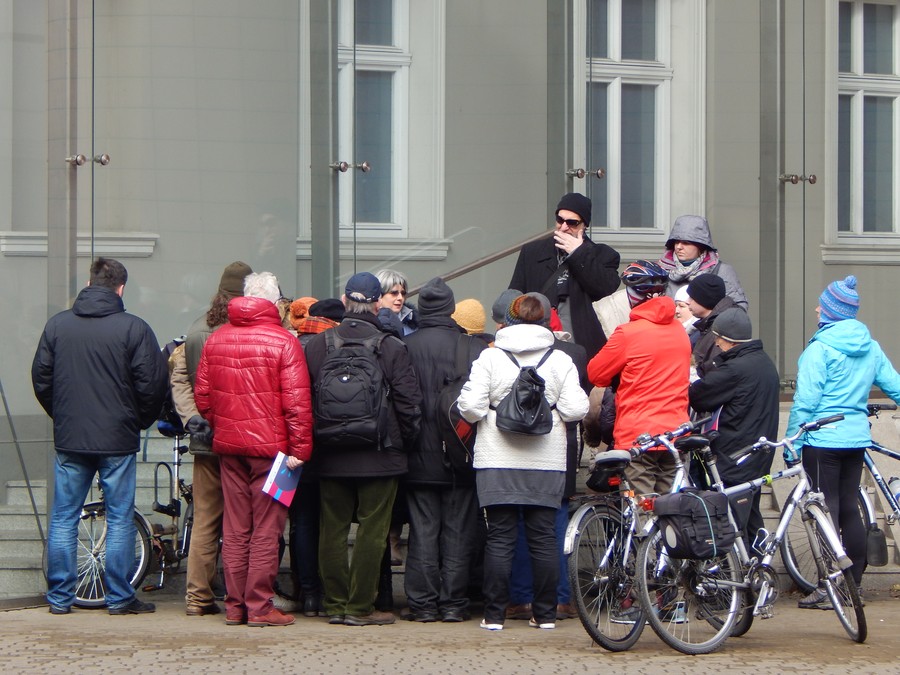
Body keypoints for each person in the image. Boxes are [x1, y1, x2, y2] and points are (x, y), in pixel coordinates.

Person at [31, 257, 168, 616]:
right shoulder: (134, 328)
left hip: (71, 437)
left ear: (90, 283)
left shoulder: (58, 325)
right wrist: (137, 421)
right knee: (119, 518)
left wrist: (64, 416)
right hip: (117, 438)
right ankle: (119, 598)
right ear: (121, 288)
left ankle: (60, 599)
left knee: (64, 517)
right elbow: (152, 385)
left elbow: (42, 380)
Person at [457, 294, 589, 631]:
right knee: (543, 538)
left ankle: (494, 616)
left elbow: (469, 408)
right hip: (546, 462)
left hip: (496, 460)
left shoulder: (490, 357)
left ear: (508, 321)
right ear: (544, 320)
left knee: (500, 538)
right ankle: (545, 616)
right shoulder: (560, 360)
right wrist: (552, 412)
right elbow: (576, 409)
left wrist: (491, 413)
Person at [195, 271, 313, 628]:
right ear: (274, 303)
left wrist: (224, 423)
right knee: (266, 529)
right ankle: (259, 606)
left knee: (235, 528)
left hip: (230, 448)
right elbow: (297, 403)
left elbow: (203, 397)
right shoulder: (284, 341)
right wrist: (300, 449)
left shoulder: (217, 338)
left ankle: (235, 606)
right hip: (273, 452)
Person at [304, 272, 423, 627]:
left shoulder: (318, 345)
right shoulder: (391, 346)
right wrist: (404, 445)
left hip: (330, 454)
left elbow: (304, 400)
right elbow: (409, 405)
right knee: (373, 531)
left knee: (332, 530)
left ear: (345, 301)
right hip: (380, 455)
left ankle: (335, 603)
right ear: (375, 304)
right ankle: (359, 607)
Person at [785, 276, 900, 609]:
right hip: (855, 439)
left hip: (822, 439)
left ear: (832, 311)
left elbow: (806, 401)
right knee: (850, 507)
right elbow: (895, 386)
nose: (816, 309)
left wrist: (792, 442)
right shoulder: (871, 347)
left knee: (826, 510)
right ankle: (853, 586)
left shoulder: (819, 349)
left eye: (822, 305)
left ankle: (830, 587)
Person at [170, 261, 253, 617]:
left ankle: (198, 598)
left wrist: (192, 418)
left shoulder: (196, 329)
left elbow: (179, 380)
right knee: (243, 520)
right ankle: (243, 597)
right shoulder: (251, 330)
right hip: (244, 440)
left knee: (205, 520)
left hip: (206, 440)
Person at [402, 278, 487, 623]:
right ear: (451, 309)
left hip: (418, 457)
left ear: (422, 310)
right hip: (461, 455)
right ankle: (453, 603)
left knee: (422, 531)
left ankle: (422, 604)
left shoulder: (404, 346)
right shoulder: (474, 348)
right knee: (458, 531)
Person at [587, 261, 692, 496]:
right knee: (671, 505)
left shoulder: (628, 333)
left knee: (642, 506)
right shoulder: (679, 331)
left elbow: (596, 374)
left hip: (638, 434)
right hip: (675, 432)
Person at [687, 308, 781, 551]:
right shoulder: (765, 362)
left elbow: (699, 396)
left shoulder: (735, 369)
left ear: (728, 339)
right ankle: (758, 565)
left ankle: (737, 570)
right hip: (759, 451)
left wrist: (692, 378)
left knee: (732, 522)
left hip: (736, 454)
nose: (717, 344)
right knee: (751, 515)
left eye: (718, 339)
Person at [509, 192, 620, 358]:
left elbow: (605, 289)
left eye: (572, 223)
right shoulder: (531, 252)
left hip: (581, 348)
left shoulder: (604, 255)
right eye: (560, 220)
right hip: (536, 344)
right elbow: (516, 294)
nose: (563, 227)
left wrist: (578, 253)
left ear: (584, 225)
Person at [657, 214, 748, 309]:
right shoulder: (660, 270)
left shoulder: (721, 270)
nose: (679, 247)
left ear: (701, 245)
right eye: (676, 242)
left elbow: (738, 308)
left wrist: (711, 316)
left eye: (686, 243)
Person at [686, 273, 737, 377]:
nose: (687, 301)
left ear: (704, 299)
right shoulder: (708, 326)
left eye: (691, 297)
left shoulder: (720, 331)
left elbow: (717, 376)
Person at [375, 268, 419, 337]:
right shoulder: (368, 324)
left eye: (403, 293)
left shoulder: (413, 322)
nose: (400, 298)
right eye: (394, 293)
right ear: (379, 295)